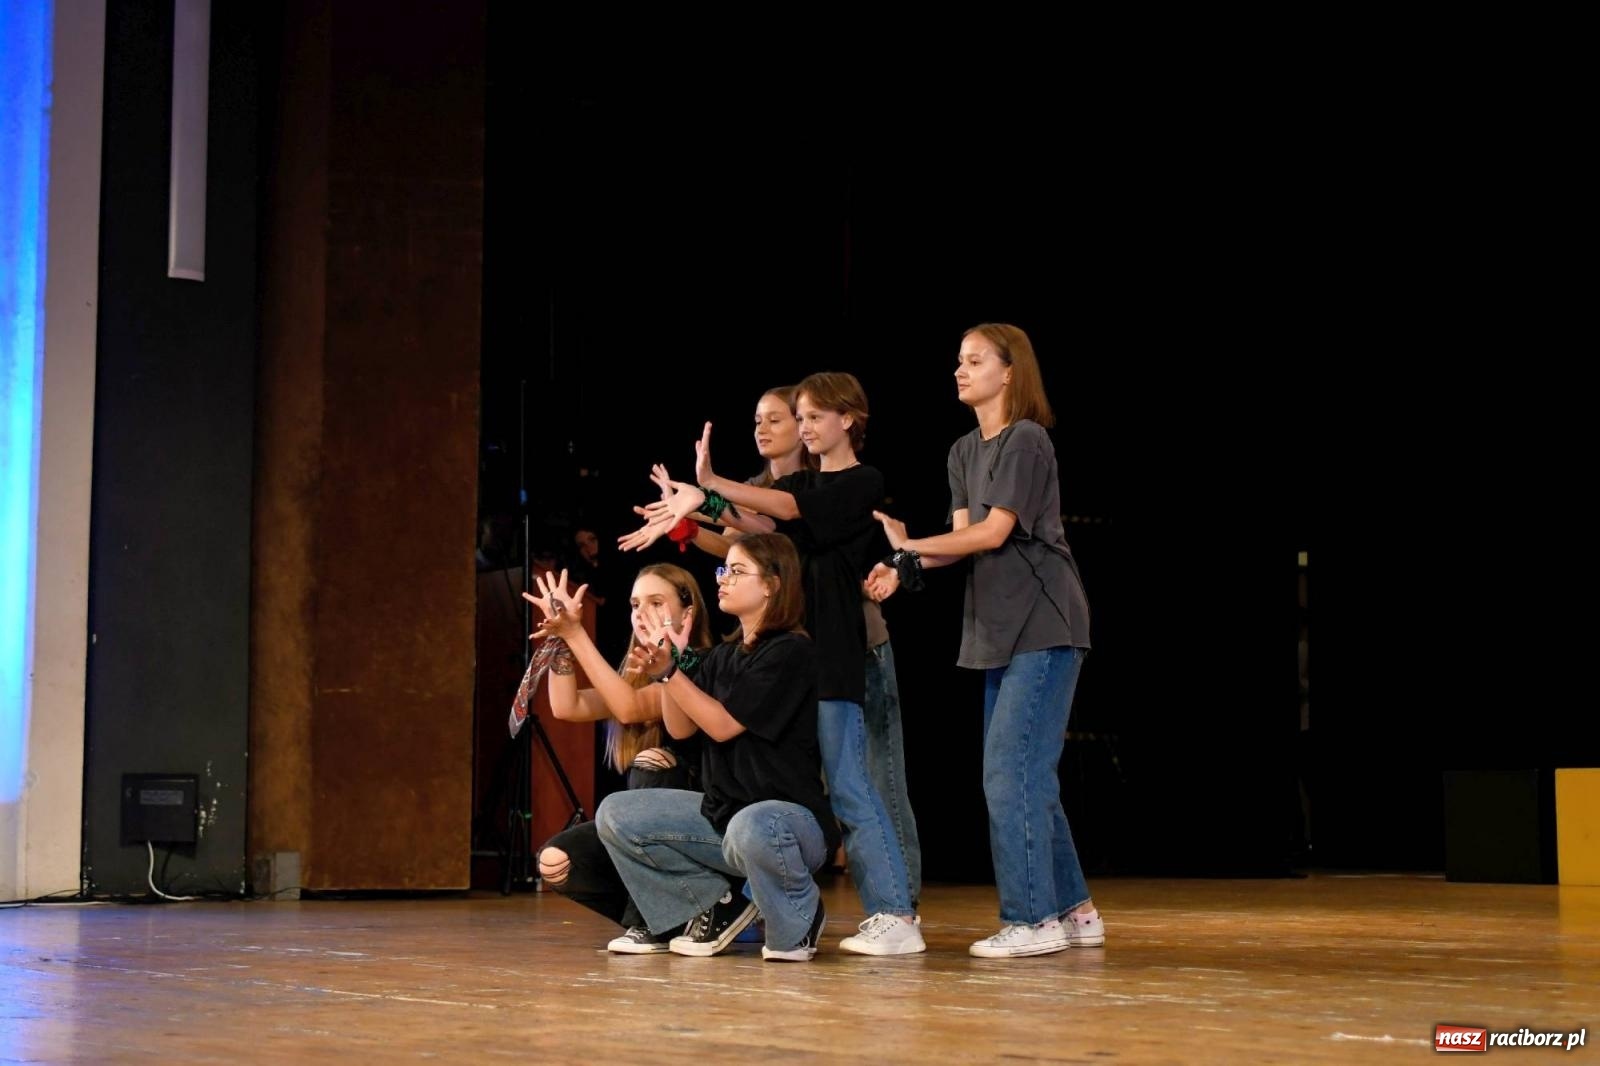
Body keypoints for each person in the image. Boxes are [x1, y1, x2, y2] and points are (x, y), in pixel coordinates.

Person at [624, 372, 924, 955]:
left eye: (813, 417)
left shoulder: (861, 481)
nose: (804, 427)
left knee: (854, 787)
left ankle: (895, 913)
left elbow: (784, 508)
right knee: (823, 784)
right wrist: (701, 506)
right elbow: (760, 525)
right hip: (802, 661)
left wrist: (712, 483)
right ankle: (772, 902)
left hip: (838, 658)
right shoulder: (802, 484)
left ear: (848, 420)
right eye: (800, 417)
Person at [867, 323, 1104, 958]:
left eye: (975, 361)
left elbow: (995, 532)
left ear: (1009, 372)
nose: (960, 370)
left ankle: (1032, 921)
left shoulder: (1027, 439)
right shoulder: (963, 451)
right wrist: (902, 563)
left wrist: (909, 546)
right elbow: (960, 540)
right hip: (999, 628)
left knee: (1010, 773)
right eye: (959, 361)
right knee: (1027, 775)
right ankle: (1075, 910)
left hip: (1045, 621)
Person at [594, 533, 838, 961]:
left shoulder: (790, 652)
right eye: (724, 570)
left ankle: (801, 916)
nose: (722, 579)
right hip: (727, 819)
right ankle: (715, 904)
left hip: (786, 824)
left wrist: (671, 673)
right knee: (617, 813)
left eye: (737, 571)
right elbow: (681, 729)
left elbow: (723, 726)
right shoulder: (722, 657)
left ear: (772, 585)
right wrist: (668, 664)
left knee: (752, 824)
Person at [524, 563, 714, 953]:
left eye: (656, 602)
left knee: (652, 762)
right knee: (555, 862)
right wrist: (561, 640)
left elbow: (629, 709)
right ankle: (677, 914)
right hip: (643, 832)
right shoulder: (635, 675)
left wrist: (576, 634)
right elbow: (567, 706)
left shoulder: (699, 664)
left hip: (703, 820)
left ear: (687, 612)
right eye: (635, 604)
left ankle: (650, 921)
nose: (641, 613)